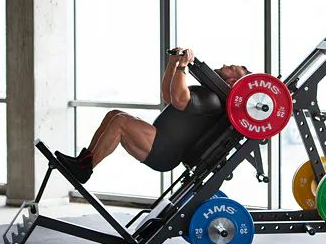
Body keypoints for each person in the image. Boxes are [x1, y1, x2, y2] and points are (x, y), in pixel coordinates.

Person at [55, 48, 251, 184]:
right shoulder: (208, 93)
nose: (225, 65)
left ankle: (84, 170)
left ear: (232, 82)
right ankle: (83, 162)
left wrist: (182, 67)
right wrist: (173, 64)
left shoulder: (214, 100)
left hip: (166, 150)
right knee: (113, 115)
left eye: (231, 68)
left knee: (120, 121)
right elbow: (169, 96)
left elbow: (180, 100)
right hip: (161, 140)